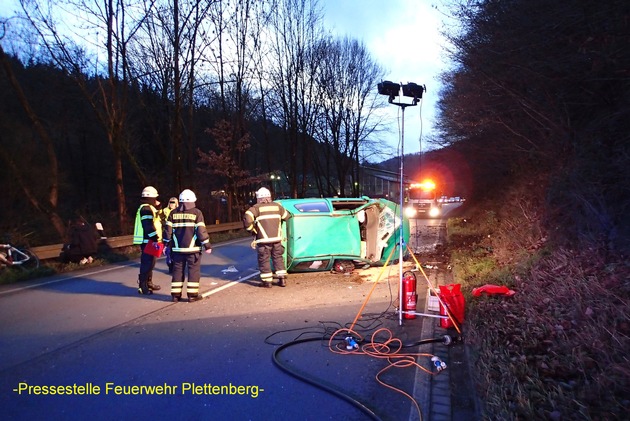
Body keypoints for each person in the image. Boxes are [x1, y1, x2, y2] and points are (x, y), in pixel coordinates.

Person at [163, 189, 212, 303]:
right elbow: (201, 231)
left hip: (177, 250)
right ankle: (192, 295)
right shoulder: (197, 213)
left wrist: (166, 243)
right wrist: (207, 245)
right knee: (193, 271)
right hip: (193, 249)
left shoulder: (173, 213)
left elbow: (167, 231)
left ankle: (175, 295)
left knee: (177, 271)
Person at [243, 187, 290, 288]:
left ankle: (267, 282)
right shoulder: (278, 207)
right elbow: (287, 216)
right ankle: (282, 280)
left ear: (259, 198)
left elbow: (247, 219)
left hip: (263, 240)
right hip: (277, 239)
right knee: (278, 258)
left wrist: (252, 230)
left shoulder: (255, 208)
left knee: (264, 260)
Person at [133, 186, 163, 295]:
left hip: (150, 240)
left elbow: (157, 219)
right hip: (148, 241)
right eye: (155, 197)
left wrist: (158, 207)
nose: (156, 199)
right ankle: (143, 286)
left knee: (151, 263)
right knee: (147, 263)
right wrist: (154, 238)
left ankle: (148, 283)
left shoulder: (149, 208)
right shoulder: (146, 209)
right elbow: (148, 226)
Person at [161, 197, 179, 273]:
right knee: (168, 251)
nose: (172, 204)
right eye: (170, 202)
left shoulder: (178, 211)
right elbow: (161, 219)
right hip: (167, 233)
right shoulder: (165, 210)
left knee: (175, 251)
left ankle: (175, 266)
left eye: (173, 202)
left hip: (176, 233)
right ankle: (170, 265)